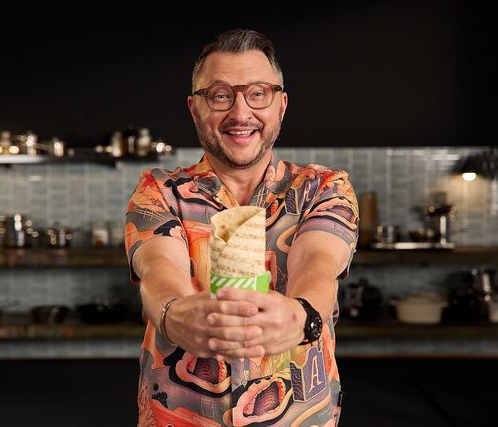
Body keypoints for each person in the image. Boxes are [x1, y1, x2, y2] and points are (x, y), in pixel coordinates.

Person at [125, 28, 358, 427]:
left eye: (258, 94)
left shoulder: (323, 188)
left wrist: (302, 315)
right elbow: (158, 269)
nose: (240, 113)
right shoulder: (158, 191)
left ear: (281, 105)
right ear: (195, 108)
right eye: (220, 95)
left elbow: (318, 265)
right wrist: (171, 313)